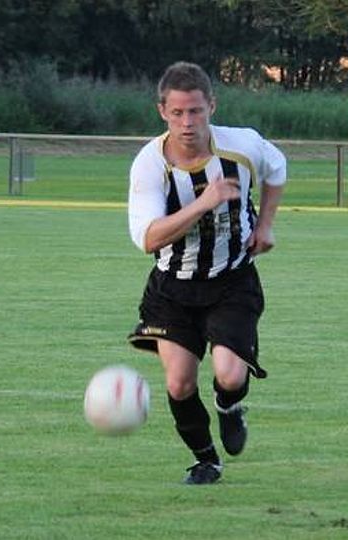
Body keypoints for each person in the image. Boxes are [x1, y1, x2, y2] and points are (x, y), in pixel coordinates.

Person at [127, 62, 286, 485]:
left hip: (232, 280)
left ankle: (229, 406)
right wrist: (203, 202)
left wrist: (266, 225)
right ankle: (206, 460)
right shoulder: (149, 165)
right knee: (179, 384)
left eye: (196, 111)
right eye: (178, 113)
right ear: (162, 111)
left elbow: (277, 168)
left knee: (229, 375)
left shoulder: (242, 145)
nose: (187, 122)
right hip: (172, 287)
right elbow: (148, 238)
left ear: (211, 106)